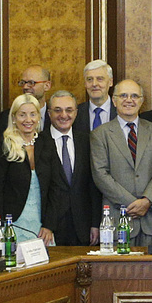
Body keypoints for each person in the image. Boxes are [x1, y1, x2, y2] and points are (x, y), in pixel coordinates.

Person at [91, 79, 152, 245]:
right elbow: (100, 174)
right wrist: (132, 203)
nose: (129, 100)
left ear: (141, 101)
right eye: (123, 96)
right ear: (114, 100)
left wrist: (147, 201)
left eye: (134, 96)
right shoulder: (100, 134)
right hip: (118, 218)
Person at [0, 94, 55, 245]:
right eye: (22, 115)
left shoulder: (47, 143)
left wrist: (49, 225)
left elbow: (55, 186)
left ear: (39, 117)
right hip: (12, 223)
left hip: (41, 225)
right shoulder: (5, 144)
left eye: (33, 114)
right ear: (14, 118)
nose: (28, 120)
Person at [43, 90, 97, 246]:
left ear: (76, 112)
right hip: (50, 228)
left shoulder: (87, 141)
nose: (64, 115)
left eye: (69, 110)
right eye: (57, 110)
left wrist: (95, 223)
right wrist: (45, 224)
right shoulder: (39, 142)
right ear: (49, 113)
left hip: (83, 226)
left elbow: (93, 185)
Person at [0, 65, 53, 145]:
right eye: (23, 83)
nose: (25, 87)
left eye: (31, 83)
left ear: (47, 86)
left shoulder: (55, 116)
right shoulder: (6, 117)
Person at [83, 59, 115, 130]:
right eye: (89, 79)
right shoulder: (76, 113)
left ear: (110, 82)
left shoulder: (121, 111)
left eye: (100, 79)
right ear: (85, 83)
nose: (94, 84)